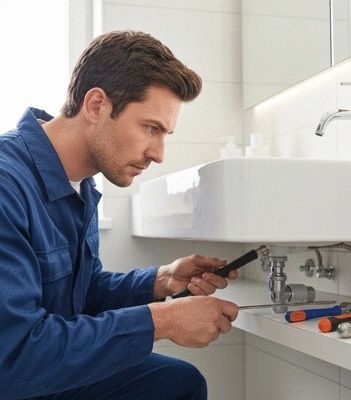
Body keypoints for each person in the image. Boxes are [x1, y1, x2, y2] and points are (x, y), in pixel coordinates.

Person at [0, 30, 239, 400]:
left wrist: (161, 280)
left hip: (37, 368)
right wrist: (164, 320)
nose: (158, 153)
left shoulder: (81, 186)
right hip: (16, 374)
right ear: (96, 105)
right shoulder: (6, 185)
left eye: (165, 134)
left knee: (180, 382)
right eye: (151, 128)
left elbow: (84, 293)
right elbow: (12, 355)